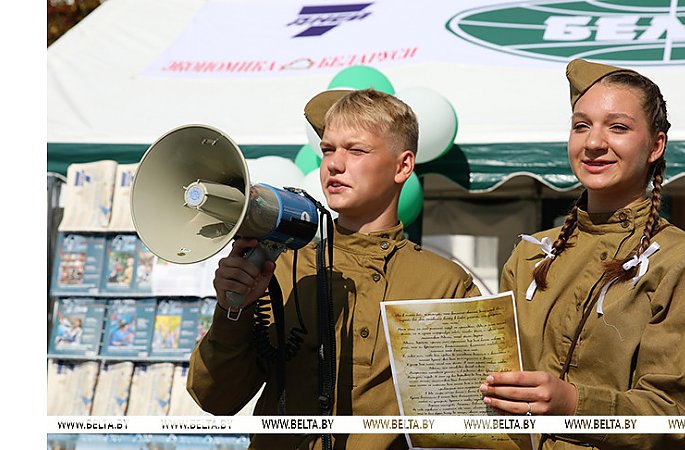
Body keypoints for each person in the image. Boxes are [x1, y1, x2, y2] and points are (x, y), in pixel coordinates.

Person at [187, 88, 481, 450]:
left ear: (403, 166)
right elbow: (215, 398)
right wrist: (234, 308)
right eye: (327, 150)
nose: (333, 164)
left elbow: (470, 426)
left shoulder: (445, 285)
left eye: (356, 150)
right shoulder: (282, 266)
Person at [480, 59, 685, 449]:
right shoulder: (529, 257)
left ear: (656, 145)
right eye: (581, 126)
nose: (593, 143)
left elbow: (672, 419)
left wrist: (575, 404)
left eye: (618, 127)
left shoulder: (683, 261)